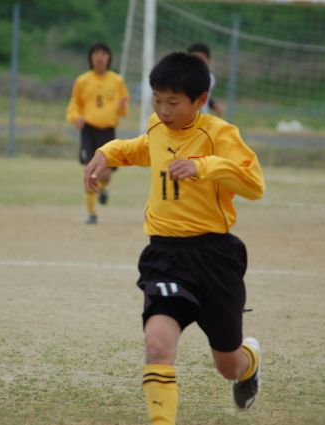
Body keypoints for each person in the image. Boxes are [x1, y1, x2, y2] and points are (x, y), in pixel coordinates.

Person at [84, 52, 265, 424]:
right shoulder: (157, 126)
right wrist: (106, 153)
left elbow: (254, 184)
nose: (163, 111)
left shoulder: (219, 134)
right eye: (157, 100)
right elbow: (140, 148)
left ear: (200, 100)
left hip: (214, 256)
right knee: (157, 345)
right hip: (165, 255)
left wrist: (204, 166)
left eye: (173, 102)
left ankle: (250, 363)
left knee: (228, 365)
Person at [66, 42, 129, 224]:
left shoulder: (117, 81)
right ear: (90, 58)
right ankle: (92, 214)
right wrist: (75, 117)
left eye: (103, 53)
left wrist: (122, 106)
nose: (100, 57)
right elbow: (74, 105)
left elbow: (124, 108)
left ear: (109, 58)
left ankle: (102, 188)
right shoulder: (82, 80)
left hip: (108, 131)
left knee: (105, 174)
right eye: (96, 53)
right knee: (91, 170)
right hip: (89, 130)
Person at [187, 42, 223, 116]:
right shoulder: (181, 77)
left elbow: (204, 96)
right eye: (193, 58)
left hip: (201, 117)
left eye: (201, 59)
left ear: (209, 61)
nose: (197, 62)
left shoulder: (210, 78)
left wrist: (213, 104)